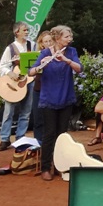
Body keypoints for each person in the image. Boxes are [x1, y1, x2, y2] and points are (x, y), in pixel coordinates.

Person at [28, 25, 82, 181]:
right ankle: (46, 167)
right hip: (49, 98)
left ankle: (60, 165)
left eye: (70, 36)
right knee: (49, 134)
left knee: (62, 134)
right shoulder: (45, 52)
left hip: (66, 97)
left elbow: (79, 68)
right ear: (57, 38)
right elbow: (30, 72)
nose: (70, 39)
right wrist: (40, 66)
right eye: (67, 36)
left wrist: (65, 60)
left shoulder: (71, 52)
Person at [0, 22, 36, 151]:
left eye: (27, 30)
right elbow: (2, 66)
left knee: (26, 112)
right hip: (14, 83)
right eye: (24, 30)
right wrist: (9, 73)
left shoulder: (33, 45)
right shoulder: (10, 48)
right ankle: (4, 138)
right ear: (16, 32)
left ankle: (20, 138)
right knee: (8, 111)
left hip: (28, 82)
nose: (27, 32)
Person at [30, 29, 54, 142]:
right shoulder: (38, 56)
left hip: (52, 90)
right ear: (42, 44)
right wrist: (41, 64)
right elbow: (30, 71)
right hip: (39, 89)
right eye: (46, 41)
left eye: (50, 41)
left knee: (51, 120)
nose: (49, 43)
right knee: (38, 118)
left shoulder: (59, 55)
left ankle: (51, 145)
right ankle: (38, 145)